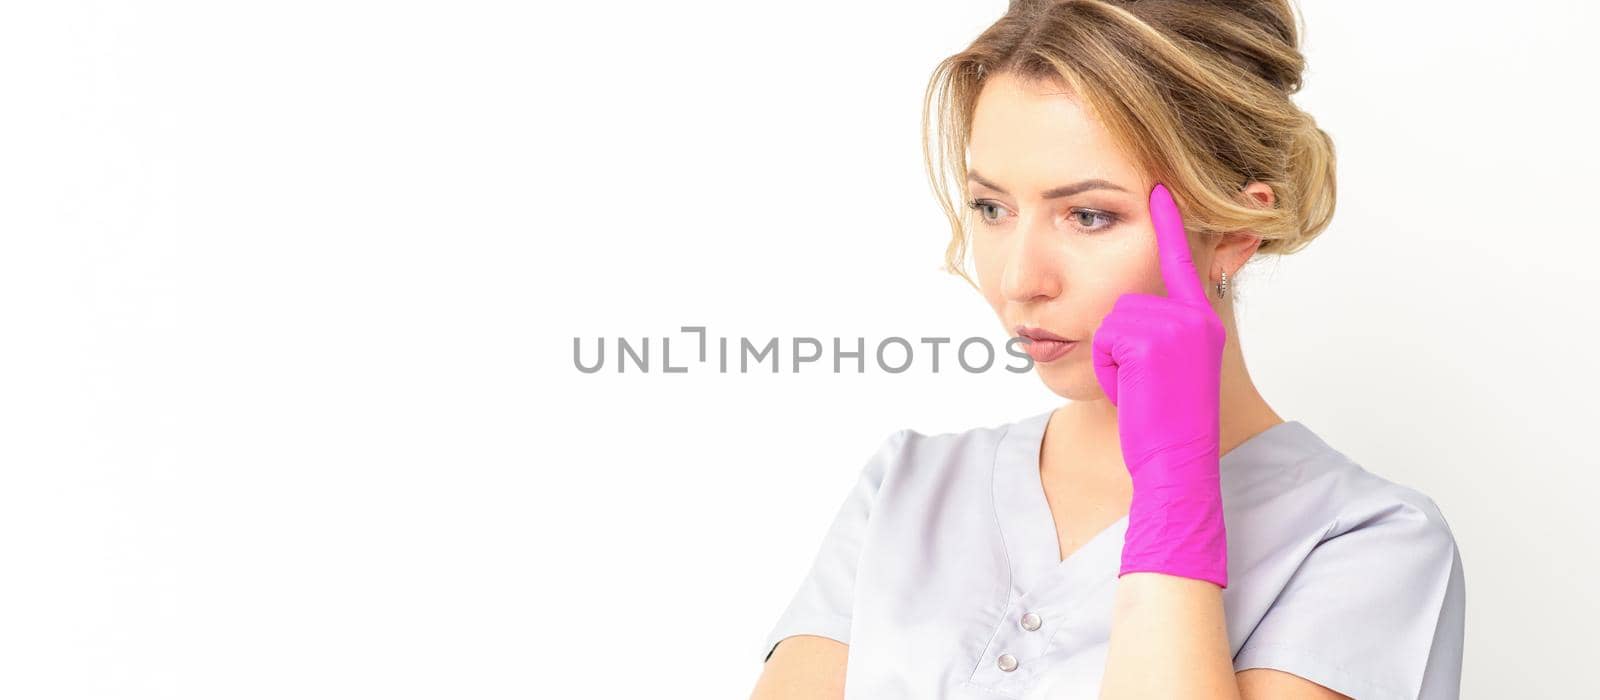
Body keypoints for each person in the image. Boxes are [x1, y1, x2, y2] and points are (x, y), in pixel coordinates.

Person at [748, 1, 1465, 698]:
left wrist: (1173, 499)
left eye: (1089, 215)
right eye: (992, 208)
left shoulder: (1367, 545)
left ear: (1235, 232)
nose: (1019, 279)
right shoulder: (904, 494)